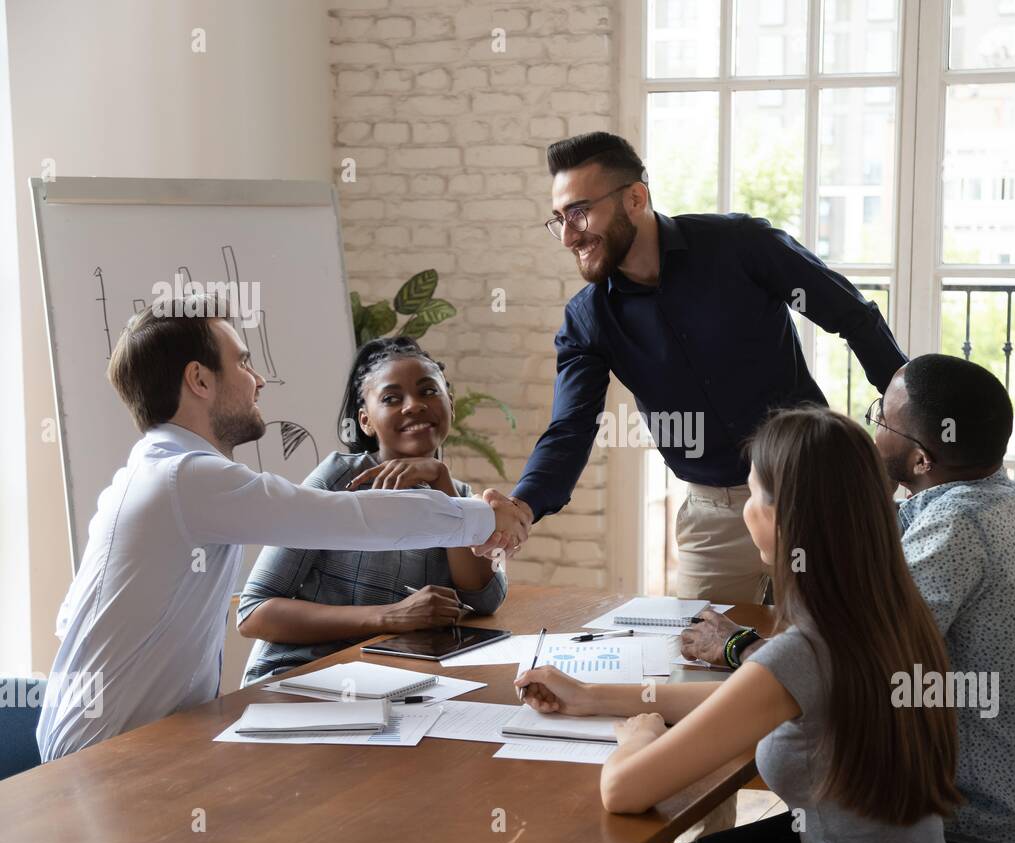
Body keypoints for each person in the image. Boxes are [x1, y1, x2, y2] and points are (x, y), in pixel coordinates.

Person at [37, 296, 525, 761]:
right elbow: (348, 519)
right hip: (106, 753)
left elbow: (71, 621)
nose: (259, 380)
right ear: (199, 380)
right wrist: (486, 517)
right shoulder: (186, 476)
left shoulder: (156, 471)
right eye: (244, 364)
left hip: (144, 738)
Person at [681, 354, 1015, 843]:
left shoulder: (957, 529)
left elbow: (850, 664)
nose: (872, 429)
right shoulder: (1013, 501)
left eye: (882, 420)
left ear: (922, 460)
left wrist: (737, 645)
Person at [514, 406, 961, 843]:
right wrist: (589, 695)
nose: (746, 510)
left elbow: (621, 790)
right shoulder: (895, 616)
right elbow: (742, 696)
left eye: (751, 494)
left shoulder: (806, 649)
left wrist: (639, 737)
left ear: (783, 517)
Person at [487, 131, 907, 606]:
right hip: (714, 518)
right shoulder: (587, 320)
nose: (568, 236)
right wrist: (523, 504)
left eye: (579, 213)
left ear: (635, 198)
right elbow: (570, 428)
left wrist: (912, 428)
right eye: (559, 219)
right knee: (700, 666)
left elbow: (852, 316)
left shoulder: (741, 246)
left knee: (844, 654)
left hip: (816, 496)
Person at [237, 337, 507, 684]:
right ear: (365, 421)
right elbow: (254, 613)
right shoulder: (338, 479)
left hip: (393, 682)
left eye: (428, 391)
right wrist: (389, 617)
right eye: (392, 399)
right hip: (302, 678)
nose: (414, 406)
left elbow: (485, 599)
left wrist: (440, 481)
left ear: (450, 404)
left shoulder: (461, 496)